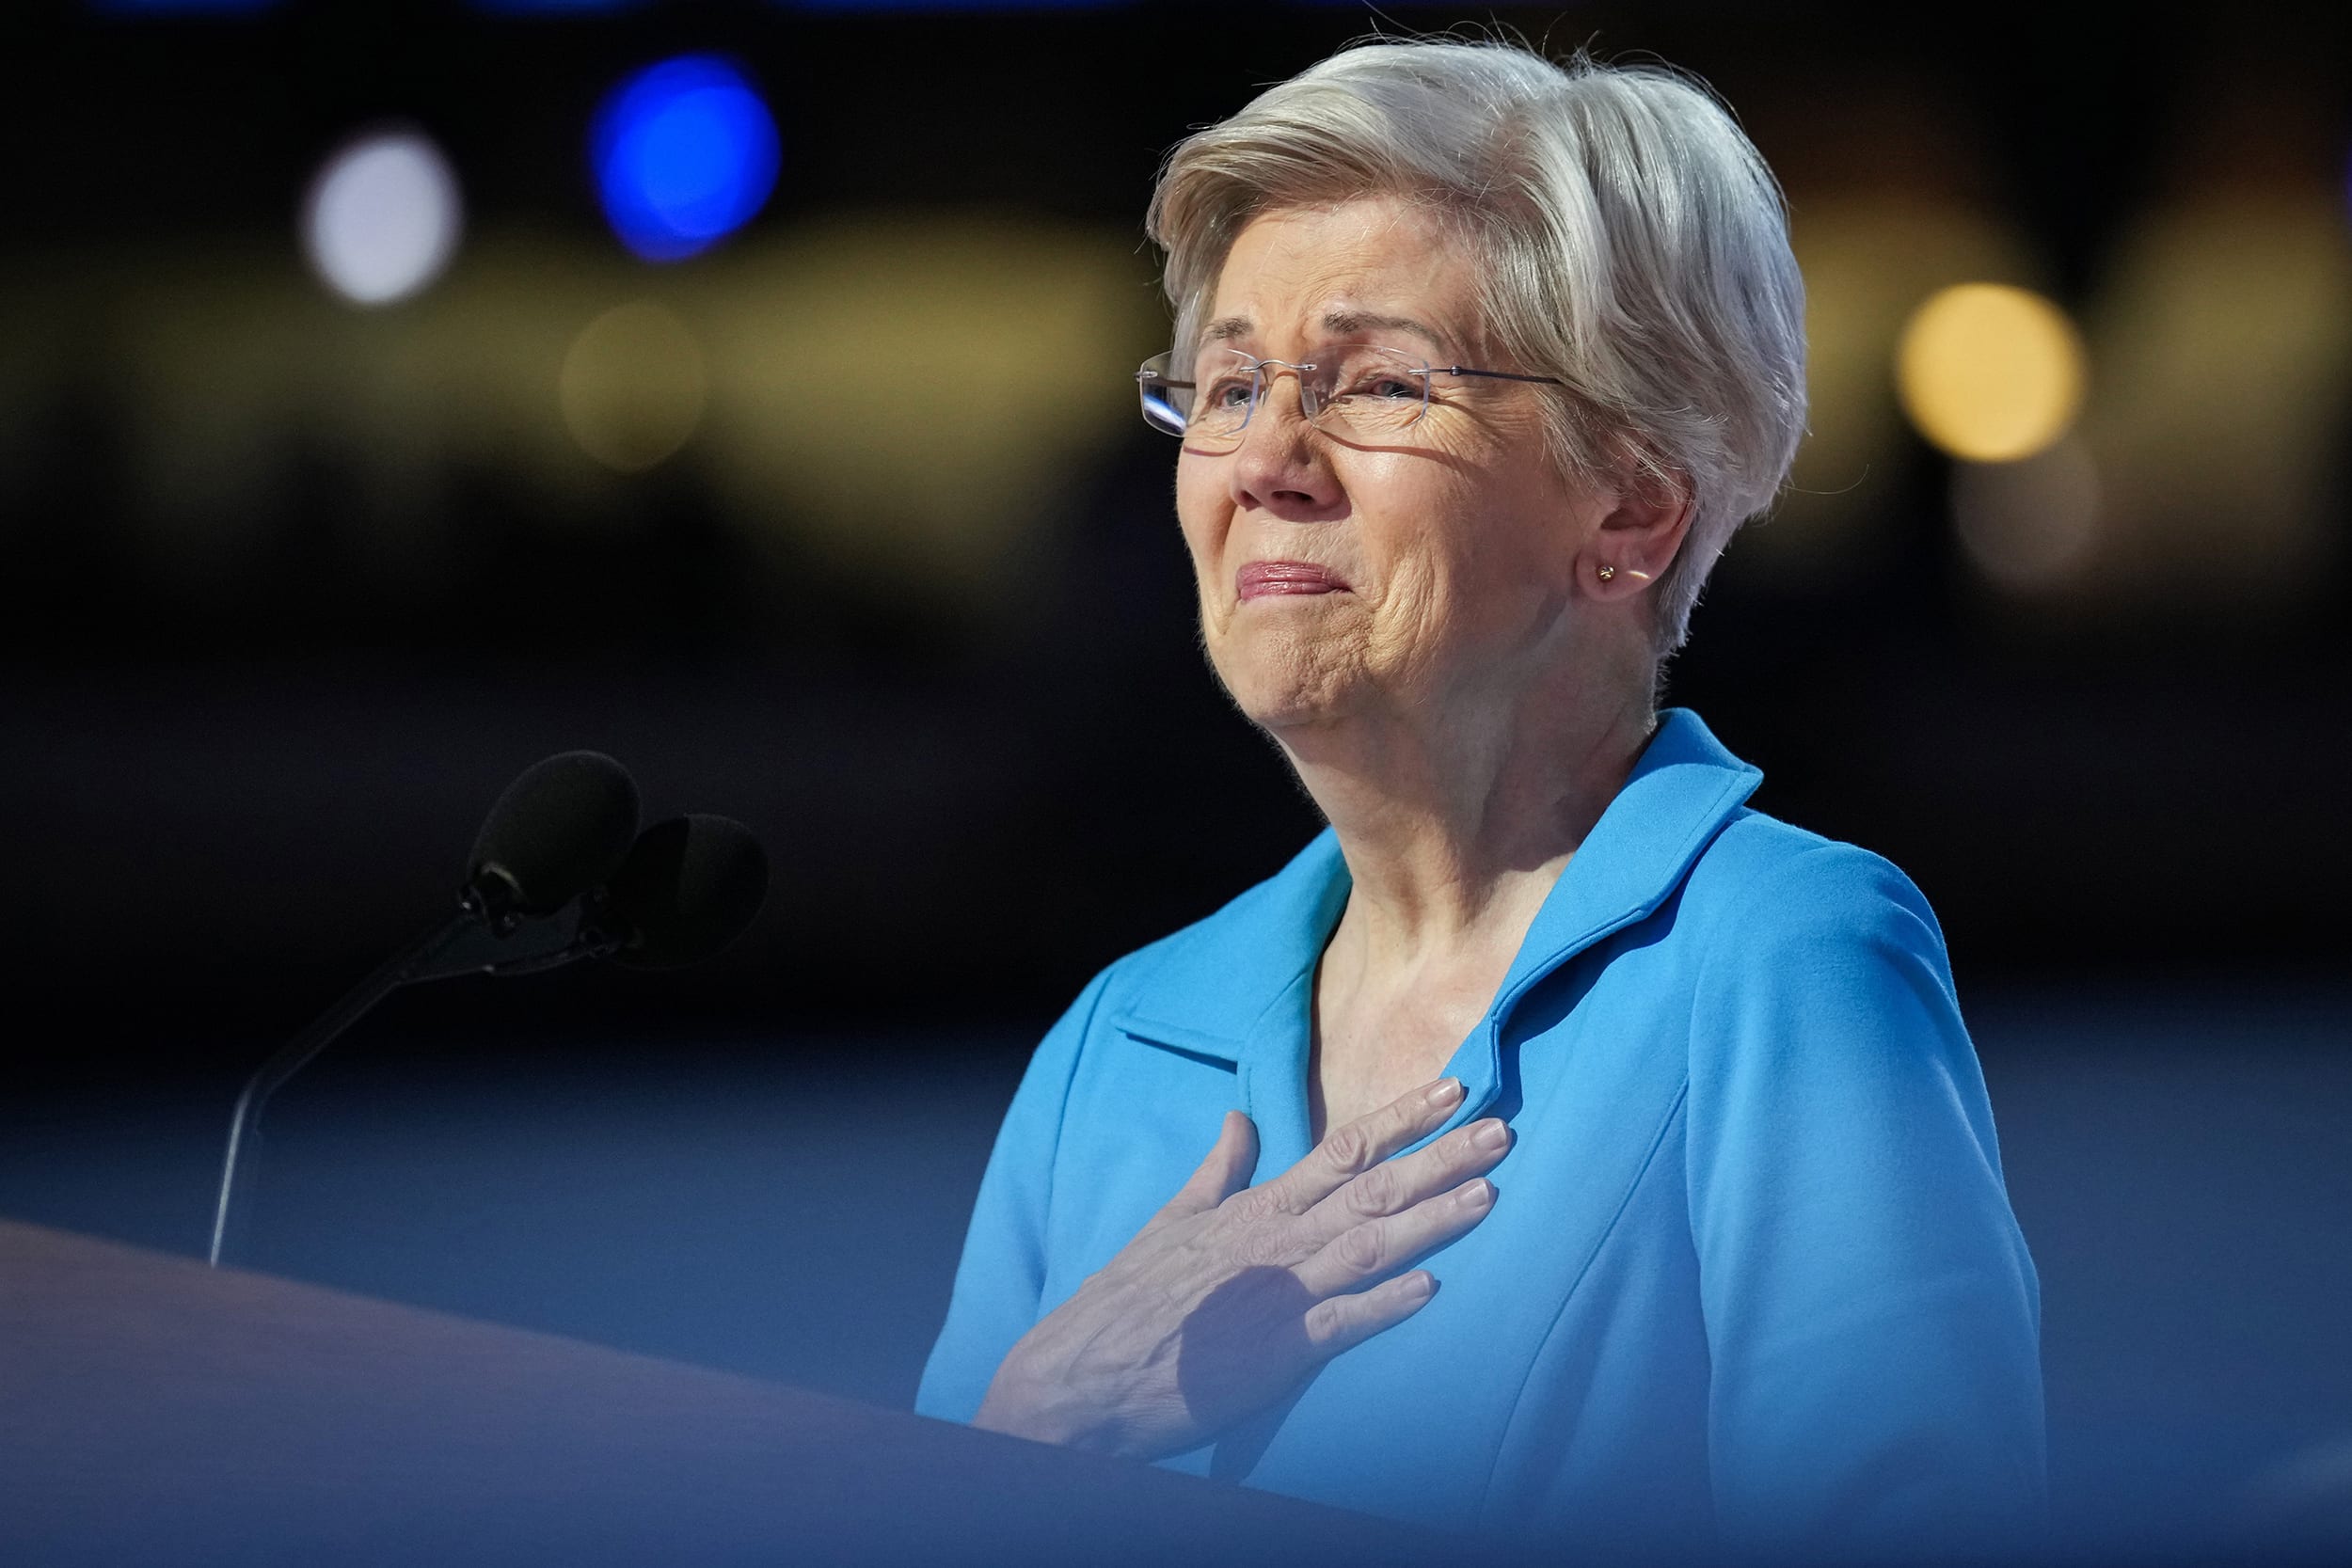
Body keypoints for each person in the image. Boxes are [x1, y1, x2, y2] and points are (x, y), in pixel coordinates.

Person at [914, 36, 2044, 1560]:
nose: (1267, 461)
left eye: (1379, 384)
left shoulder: (1779, 961)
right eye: (1231, 386)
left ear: (1632, 506)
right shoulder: (1116, 1042)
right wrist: (1029, 1427)